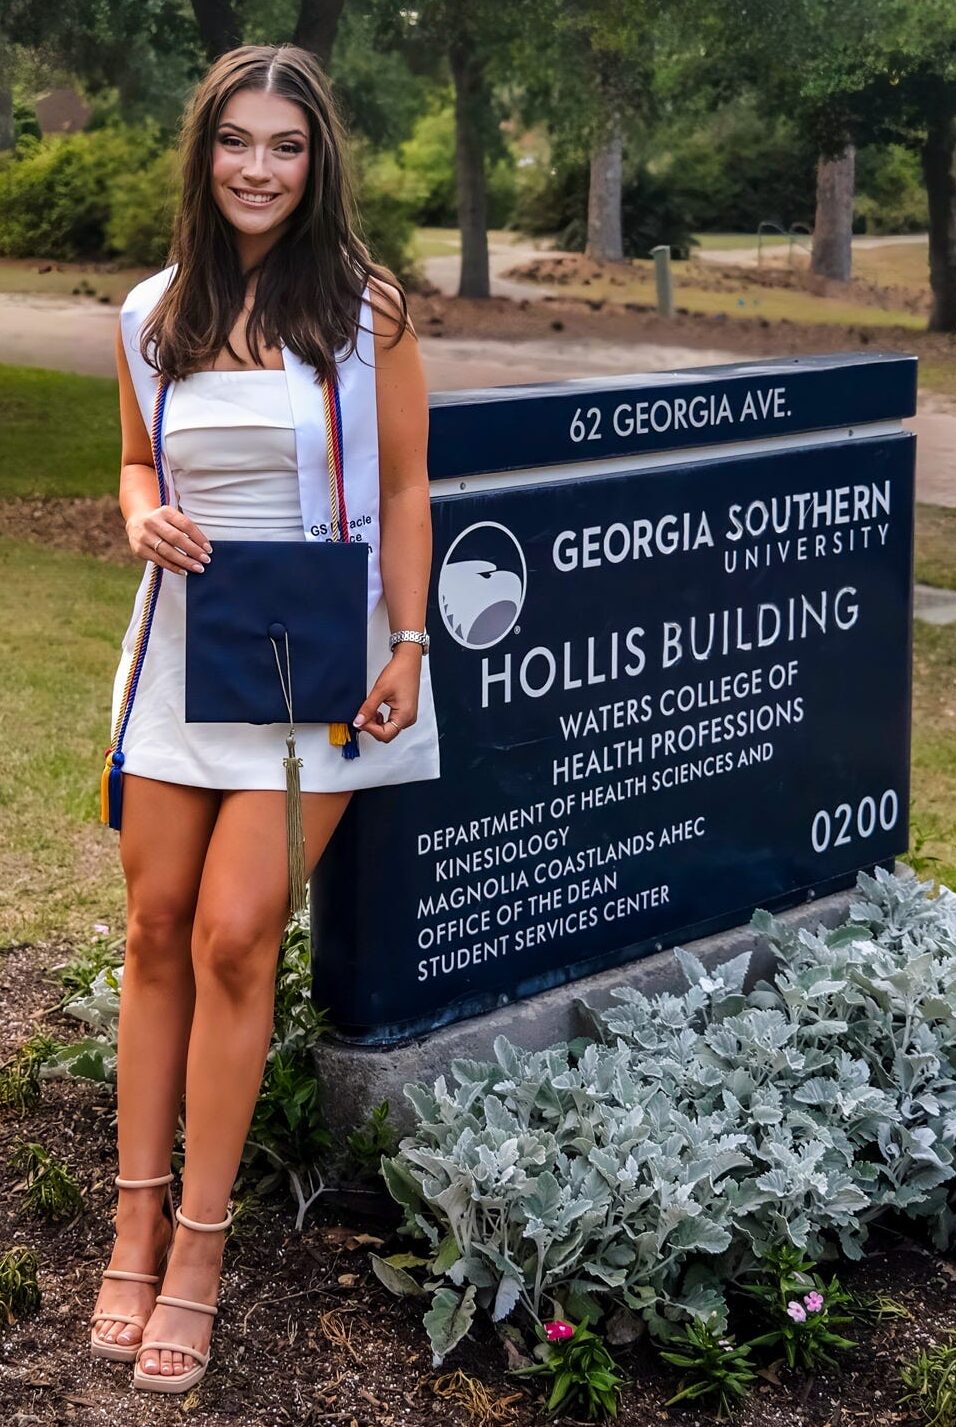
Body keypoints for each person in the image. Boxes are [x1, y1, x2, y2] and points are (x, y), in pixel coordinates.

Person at [89, 43, 440, 1393]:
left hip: (324, 661)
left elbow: (407, 489)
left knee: (239, 936)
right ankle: (129, 1220)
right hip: (187, 649)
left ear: (319, 162)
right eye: (236, 141)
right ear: (203, 153)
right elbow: (132, 457)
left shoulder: (368, 312)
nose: (257, 168)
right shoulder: (149, 312)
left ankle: (199, 1245)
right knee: (156, 927)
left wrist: (408, 640)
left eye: (285, 147)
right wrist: (138, 512)